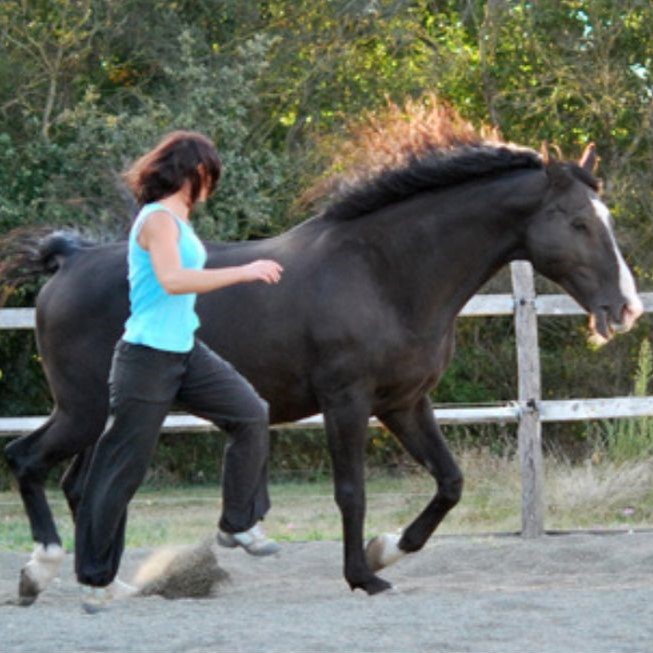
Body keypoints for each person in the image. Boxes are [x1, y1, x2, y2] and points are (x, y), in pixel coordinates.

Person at [74, 130, 283, 613]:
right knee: (121, 469)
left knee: (251, 413)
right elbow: (172, 280)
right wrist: (245, 270)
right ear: (194, 172)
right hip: (146, 357)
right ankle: (95, 579)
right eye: (210, 173)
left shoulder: (181, 220)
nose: (213, 183)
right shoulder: (157, 220)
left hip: (185, 350)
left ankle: (238, 523)